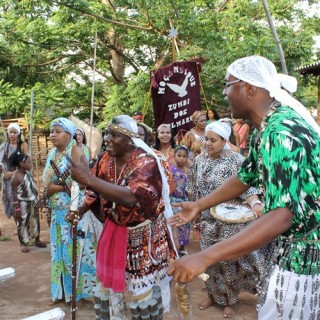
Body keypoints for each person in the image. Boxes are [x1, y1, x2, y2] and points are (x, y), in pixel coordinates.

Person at [167, 56, 320, 319]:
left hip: (305, 259)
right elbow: (245, 176)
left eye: (228, 85)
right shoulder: (265, 129)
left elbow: (282, 215)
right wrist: (199, 205)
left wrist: (205, 257)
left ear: (249, 88)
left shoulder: (281, 132)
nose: (224, 93)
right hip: (289, 250)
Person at [67, 115, 177, 319]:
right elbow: (93, 191)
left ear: (130, 140)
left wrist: (88, 179)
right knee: (105, 290)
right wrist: (80, 209)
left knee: (142, 295)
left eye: (115, 135)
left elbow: (130, 197)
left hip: (142, 235)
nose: (107, 139)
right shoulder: (104, 159)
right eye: (107, 133)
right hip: (113, 229)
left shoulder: (146, 162)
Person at [186, 121, 269, 318]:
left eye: (213, 140)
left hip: (230, 222)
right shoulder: (199, 160)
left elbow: (247, 186)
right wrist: (194, 208)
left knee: (227, 261)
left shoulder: (236, 161)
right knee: (208, 261)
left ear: (225, 140)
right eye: (206, 139)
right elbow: (192, 186)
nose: (207, 143)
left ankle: (230, 300)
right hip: (207, 221)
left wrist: (255, 203)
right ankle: (214, 296)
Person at [43, 118, 100, 307]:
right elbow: (46, 182)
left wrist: (56, 189)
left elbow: (84, 182)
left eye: (58, 131)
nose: (53, 135)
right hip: (57, 212)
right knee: (57, 254)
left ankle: (78, 295)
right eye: (52, 131)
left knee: (73, 254)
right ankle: (61, 293)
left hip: (73, 212)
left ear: (69, 133)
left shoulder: (76, 151)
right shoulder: (52, 152)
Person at [10, 151, 47, 253]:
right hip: (22, 203)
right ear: (22, 164)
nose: (30, 164)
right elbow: (14, 194)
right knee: (22, 222)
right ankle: (23, 243)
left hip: (32, 202)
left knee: (35, 221)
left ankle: (37, 239)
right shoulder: (15, 177)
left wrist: (37, 198)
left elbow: (32, 187)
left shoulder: (27, 174)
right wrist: (17, 208)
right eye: (28, 162)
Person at [0, 123, 28, 224]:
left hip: (21, 179)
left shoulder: (23, 146)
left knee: (22, 202)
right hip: (8, 181)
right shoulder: (4, 147)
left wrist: (13, 174)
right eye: (10, 132)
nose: (12, 134)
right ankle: (18, 225)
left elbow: (28, 164)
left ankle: (25, 226)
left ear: (18, 133)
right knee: (12, 203)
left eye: (15, 132)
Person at [170, 146, 191, 256]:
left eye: (184, 156)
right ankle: (173, 246)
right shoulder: (170, 170)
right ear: (174, 157)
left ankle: (182, 247)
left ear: (187, 158)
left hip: (184, 201)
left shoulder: (188, 172)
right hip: (172, 200)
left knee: (185, 224)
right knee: (175, 223)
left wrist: (191, 202)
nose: (181, 159)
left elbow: (190, 188)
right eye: (179, 156)